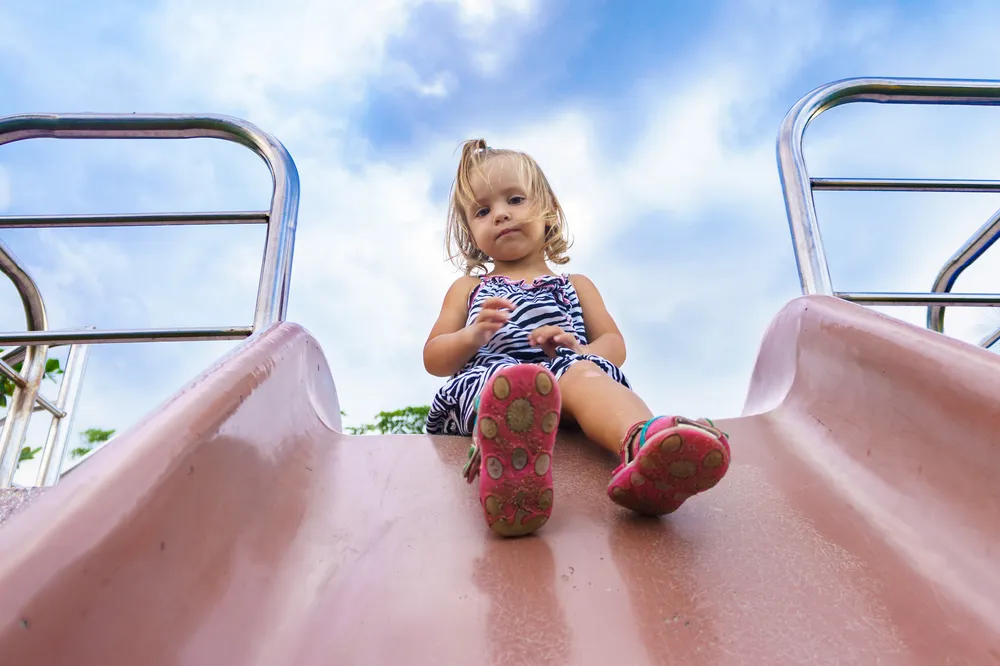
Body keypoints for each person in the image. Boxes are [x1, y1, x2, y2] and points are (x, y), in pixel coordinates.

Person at [423, 139, 731, 538]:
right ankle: (508, 470)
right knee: (508, 386)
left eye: (514, 200)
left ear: (548, 210)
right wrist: (471, 335)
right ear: (472, 232)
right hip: (491, 383)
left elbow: (613, 344)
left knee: (585, 373)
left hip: (565, 377)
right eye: (483, 211)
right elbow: (435, 357)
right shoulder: (468, 288)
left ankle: (644, 449)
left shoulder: (576, 285)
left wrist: (577, 347)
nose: (500, 214)